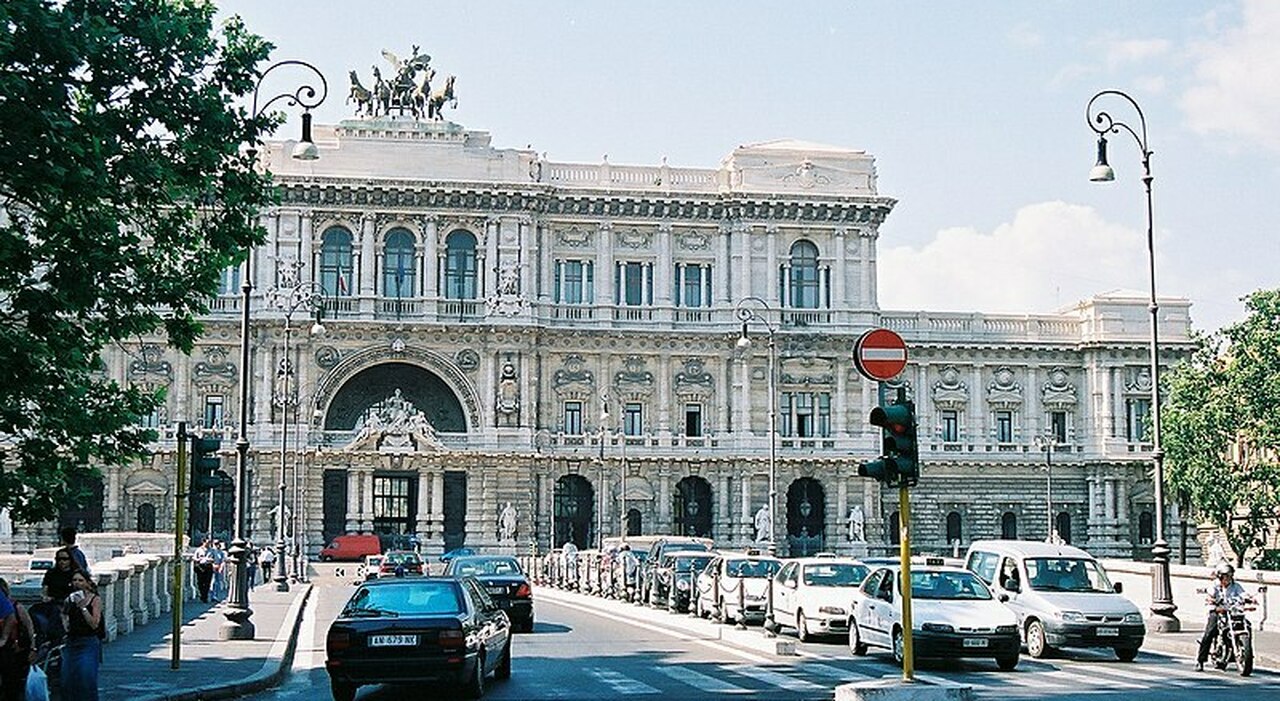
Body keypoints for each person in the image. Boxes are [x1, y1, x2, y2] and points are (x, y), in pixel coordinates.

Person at [1197, 561, 1251, 671]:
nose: (1228, 578)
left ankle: (1247, 652)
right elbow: (1210, 594)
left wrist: (1249, 598)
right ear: (1220, 576)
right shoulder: (1215, 585)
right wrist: (1211, 599)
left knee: (1247, 625)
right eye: (1225, 576)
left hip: (1232, 611)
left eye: (1230, 575)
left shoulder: (1235, 586)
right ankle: (1200, 660)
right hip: (1217, 610)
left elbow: (1242, 594)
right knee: (1210, 631)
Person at [60, 570, 102, 700]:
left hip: (88, 641)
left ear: (87, 583)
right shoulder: (70, 598)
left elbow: (94, 624)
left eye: (80, 580)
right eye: (74, 580)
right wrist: (65, 624)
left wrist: (83, 608)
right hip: (72, 641)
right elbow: (64, 613)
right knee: (67, 679)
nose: (77, 583)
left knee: (86, 678)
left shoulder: (95, 599)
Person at [0, 577, 36, 701]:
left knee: (11, 683)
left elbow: (29, 626)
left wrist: (32, 647)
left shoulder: (16, 607)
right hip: (8, 647)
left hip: (13, 650)